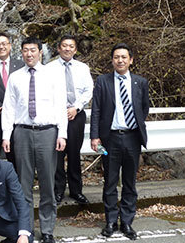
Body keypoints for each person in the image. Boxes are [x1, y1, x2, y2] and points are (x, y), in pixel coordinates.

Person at [2, 37, 67, 243]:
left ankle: (47, 229)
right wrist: (6, 135)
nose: (29, 54)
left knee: (48, 183)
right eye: (25, 50)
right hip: (22, 132)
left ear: (40, 52)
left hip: (47, 132)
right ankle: (26, 229)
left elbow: (61, 106)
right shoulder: (15, 77)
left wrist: (62, 133)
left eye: (32, 50)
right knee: (24, 184)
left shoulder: (53, 75)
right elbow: (9, 108)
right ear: (21, 53)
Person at [90, 43, 149, 240]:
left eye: (124, 57)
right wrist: (94, 137)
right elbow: (96, 110)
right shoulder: (103, 81)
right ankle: (110, 221)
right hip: (110, 139)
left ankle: (127, 221)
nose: (120, 60)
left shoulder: (140, 82)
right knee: (110, 181)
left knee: (130, 182)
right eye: (116, 57)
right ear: (112, 60)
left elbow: (144, 109)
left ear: (131, 60)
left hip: (133, 138)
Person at [45, 34, 93, 206]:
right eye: (64, 46)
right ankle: (58, 191)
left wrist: (76, 107)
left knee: (74, 154)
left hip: (76, 115)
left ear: (75, 49)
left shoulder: (82, 68)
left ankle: (76, 190)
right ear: (58, 48)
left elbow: (89, 90)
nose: (67, 49)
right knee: (57, 155)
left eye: (71, 46)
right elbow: (45, 92)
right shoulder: (49, 68)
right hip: (55, 115)